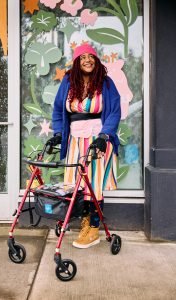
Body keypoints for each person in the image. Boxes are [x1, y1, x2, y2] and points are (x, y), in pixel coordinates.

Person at [47, 44, 121, 249]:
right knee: (77, 186)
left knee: (94, 186)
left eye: (91, 57)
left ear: (96, 61)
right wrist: (58, 134)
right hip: (75, 142)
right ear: (77, 62)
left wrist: (105, 136)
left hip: (97, 141)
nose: (87, 60)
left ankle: (94, 229)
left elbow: (114, 112)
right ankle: (84, 223)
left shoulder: (106, 84)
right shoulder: (69, 82)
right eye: (82, 58)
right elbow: (58, 110)